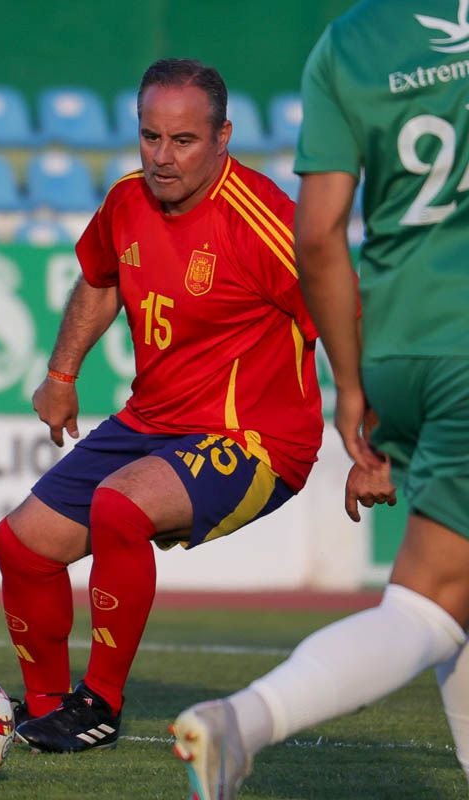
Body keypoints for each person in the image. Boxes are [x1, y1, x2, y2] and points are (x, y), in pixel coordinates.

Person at [173, 1, 469, 796]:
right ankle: (244, 722)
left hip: (401, 343)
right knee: (433, 598)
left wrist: (353, 384)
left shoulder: (350, 41)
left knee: (455, 578)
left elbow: (318, 233)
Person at [0, 58, 324, 755]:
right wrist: (61, 374)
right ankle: (48, 706)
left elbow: (350, 316)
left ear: (223, 137)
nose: (162, 157)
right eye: (150, 137)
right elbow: (101, 277)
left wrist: (372, 437)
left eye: (183, 140)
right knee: (21, 546)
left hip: (255, 438)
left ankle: (99, 705)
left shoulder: (266, 221)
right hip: (150, 422)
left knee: (120, 506)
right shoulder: (127, 199)